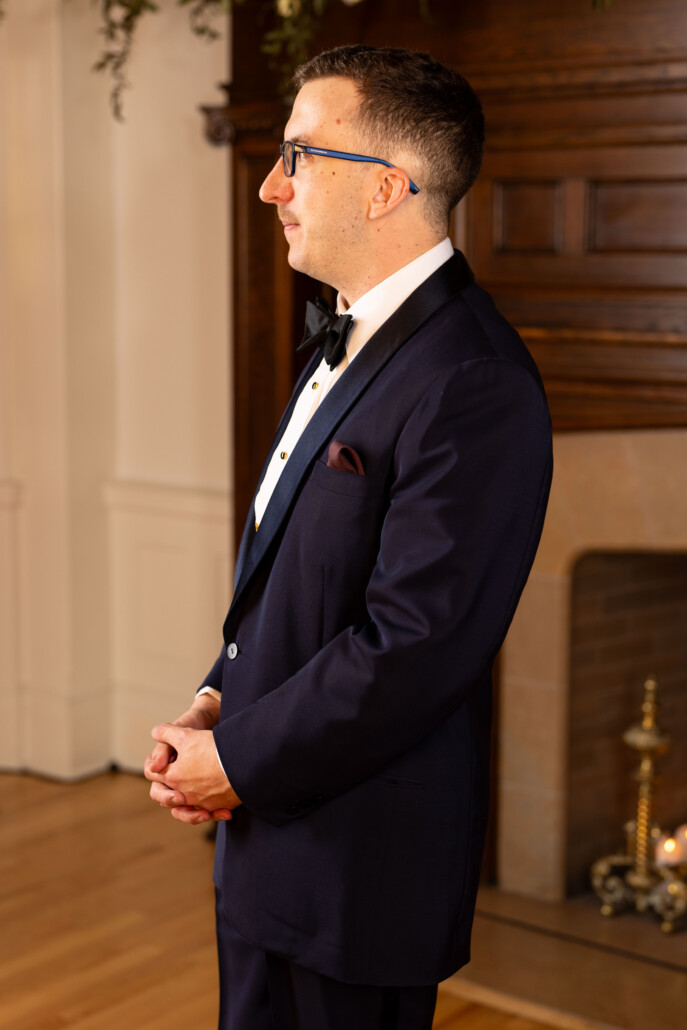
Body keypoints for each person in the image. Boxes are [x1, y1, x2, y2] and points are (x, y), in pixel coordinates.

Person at [144, 44, 553, 1030]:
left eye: (299, 154)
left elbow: (411, 648)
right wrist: (215, 708)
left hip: (358, 878)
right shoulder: (348, 334)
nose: (269, 185)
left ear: (388, 190)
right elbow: (294, 579)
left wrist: (235, 760)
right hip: (266, 850)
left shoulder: (474, 381)